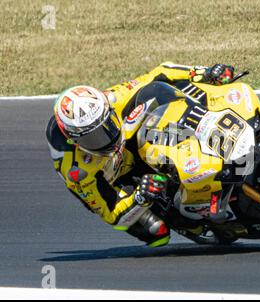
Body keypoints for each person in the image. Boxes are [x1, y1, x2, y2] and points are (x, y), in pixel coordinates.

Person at [46, 62, 235, 247]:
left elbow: (160, 73)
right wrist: (139, 197)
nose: (106, 139)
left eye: (107, 125)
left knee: (165, 91)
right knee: (155, 231)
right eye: (93, 138)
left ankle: (207, 138)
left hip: (132, 141)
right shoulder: (78, 171)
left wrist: (205, 72)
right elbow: (111, 213)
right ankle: (187, 218)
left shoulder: (114, 98)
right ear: (74, 141)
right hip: (116, 178)